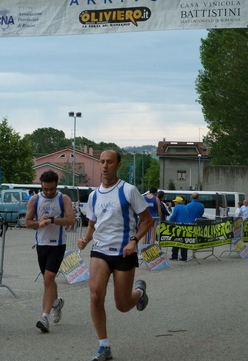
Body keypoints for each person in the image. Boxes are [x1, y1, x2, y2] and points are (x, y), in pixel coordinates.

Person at [77, 150, 154, 361]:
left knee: (122, 304)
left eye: (109, 162)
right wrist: (85, 239)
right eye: (101, 162)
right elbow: (93, 224)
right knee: (95, 296)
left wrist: (134, 241)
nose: (104, 166)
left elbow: (148, 220)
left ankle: (139, 292)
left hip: (124, 252)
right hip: (100, 251)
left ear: (118, 165)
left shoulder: (129, 191)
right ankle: (104, 346)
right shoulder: (94, 195)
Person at [25, 170, 76, 333]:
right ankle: (56, 303)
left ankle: (44, 317)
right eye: (45, 189)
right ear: (41, 185)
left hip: (58, 244)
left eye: (51, 189)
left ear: (56, 186)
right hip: (41, 244)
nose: (48, 192)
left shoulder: (63, 198)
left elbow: (71, 219)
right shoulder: (35, 199)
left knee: (49, 277)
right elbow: (27, 222)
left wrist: (53, 220)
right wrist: (38, 223)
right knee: (48, 281)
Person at [168, 196, 190, 261]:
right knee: (184, 242)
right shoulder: (186, 207)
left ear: (177, 202)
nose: (174, 203)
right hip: (186, 227)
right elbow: (188, 216)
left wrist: (169, 222)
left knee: (175, 241)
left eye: (175, 201)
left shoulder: (177, 207)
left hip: (178, 226)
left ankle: (174, 256)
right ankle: (184, 257)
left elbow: (173, 216)